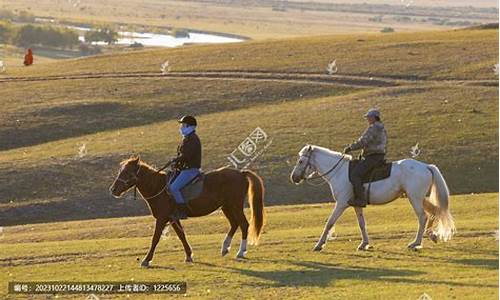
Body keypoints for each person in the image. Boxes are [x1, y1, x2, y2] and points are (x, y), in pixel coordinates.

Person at [343, 108, 387, 207]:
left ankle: (361, 199)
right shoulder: (380, 127)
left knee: (355, 175)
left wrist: (350, 147)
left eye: (369, 117)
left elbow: (363, 141)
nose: (367, 119)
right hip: (377, 155)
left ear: (374, 117)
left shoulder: (374, 127)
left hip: (373, 156)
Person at [169, 115, 202, 220]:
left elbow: (187, 156)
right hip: (185, 169)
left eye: (183, 125)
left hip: (190, 170)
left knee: (173, 188)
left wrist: (176, 160)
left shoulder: (192, 139)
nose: (181, 127)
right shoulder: (187, 138)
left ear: (189, 126)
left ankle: (182, 212)